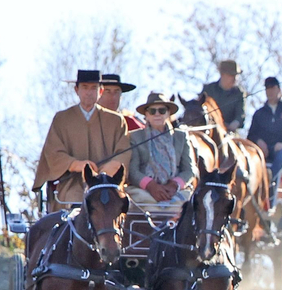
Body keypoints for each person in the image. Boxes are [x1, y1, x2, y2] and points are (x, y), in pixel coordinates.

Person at [32, 69, 132, 208]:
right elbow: (53, 151)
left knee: (118, 204)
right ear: (76, 90)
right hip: (72, 182)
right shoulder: (62, 119)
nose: (89, 92)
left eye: (94, 88)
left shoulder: (116, 120)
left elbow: (125, 151)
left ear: (100, 91)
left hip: (108, 182)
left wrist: (114, 165)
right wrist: (74, 164)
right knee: (75, 202)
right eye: (85, 87)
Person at [126, 91, 195, 217]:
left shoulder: (181, 136)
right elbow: (132, 170)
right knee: (144, 203)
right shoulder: (135, 136)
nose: (157, 114)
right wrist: (151, 186)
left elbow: (189, 170)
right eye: (152, 111)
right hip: (144, 192)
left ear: (168, 113)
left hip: (175, 192)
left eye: (162, 110)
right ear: (146, 115)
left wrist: (174, 185)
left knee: (187, 204)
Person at [246, 76, 282, 182]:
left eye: (272, 88)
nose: (269, 91)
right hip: (261, 150)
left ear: (279, 90)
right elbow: (251, 134)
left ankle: (269, 181)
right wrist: (258, 141)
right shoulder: (259, 113)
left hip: (280, 149)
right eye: (267, 88)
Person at [200, 60, 246, 132]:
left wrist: (236, 123)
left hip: (229, 133)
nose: (235, 79)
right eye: (231, 75)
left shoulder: (239, 93)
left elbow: (240, 114)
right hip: (207, 130)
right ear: (222, 74)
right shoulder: (208, 89)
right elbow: (199, 108)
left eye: (236, 75)